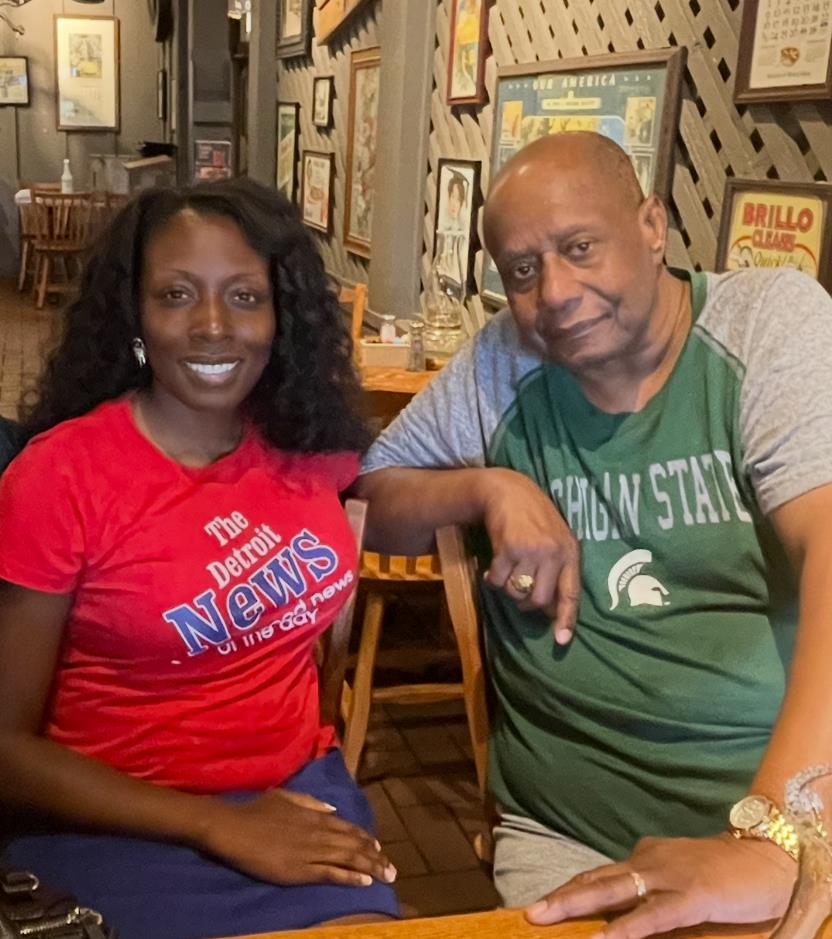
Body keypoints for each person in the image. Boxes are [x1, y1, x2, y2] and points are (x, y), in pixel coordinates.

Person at [354, 131, 832, 937]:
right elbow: (374, 495)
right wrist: (488, 486)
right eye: (523, 271)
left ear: (652, 225)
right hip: (566, 829)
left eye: (580, 247)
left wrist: (777, 835)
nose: (557, 293)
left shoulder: (765, 325)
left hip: (786, 810)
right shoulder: (500, 363)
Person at [0, 178, 398, 939]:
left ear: (282, 315)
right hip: (115, 822)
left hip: (300, 795)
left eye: (245, 297)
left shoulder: (302, 438)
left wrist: (494, 491)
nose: (213, 325)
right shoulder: (60, 478)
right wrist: (215, 823)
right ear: (136, 317)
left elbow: (390, 490)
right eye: (177, 294)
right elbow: (6, 751)